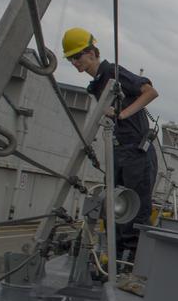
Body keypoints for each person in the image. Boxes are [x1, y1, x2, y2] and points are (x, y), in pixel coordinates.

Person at [62, 27, 159, 263]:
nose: (75, 63)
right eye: (71, 59)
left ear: (93, 52)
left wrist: (122, 114)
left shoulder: (112, 72)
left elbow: (150, 92)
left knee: (135, 208)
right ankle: (114, 258)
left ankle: (131, 263)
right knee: (115, 206)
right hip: (119, 151)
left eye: (78, 56)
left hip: (136, 151)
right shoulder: (97, 84)